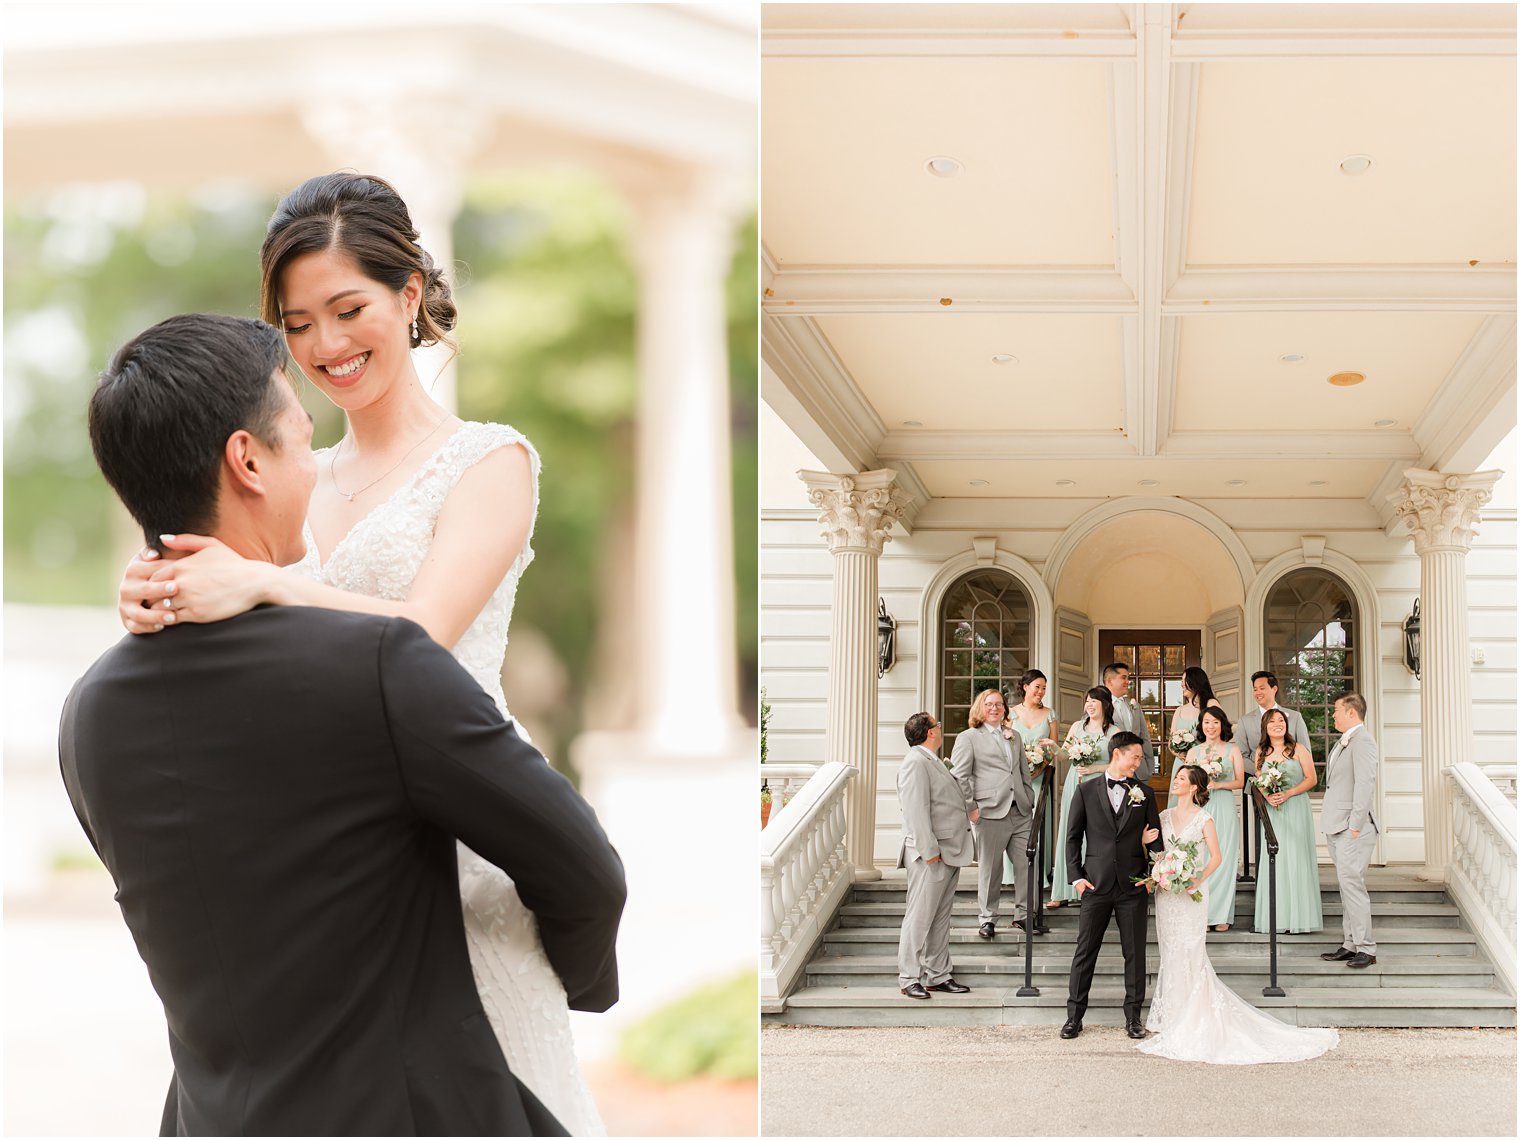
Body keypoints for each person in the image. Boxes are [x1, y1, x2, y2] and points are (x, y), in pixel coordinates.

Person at [114, 172, 603, 1133]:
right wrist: (154, 588)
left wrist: (265, 583)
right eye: (298, 326)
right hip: (327, 858)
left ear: (409, 295)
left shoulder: (489, 462)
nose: (326, 346)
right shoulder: (286, 473)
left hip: (463, 831)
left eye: (348, 309)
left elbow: (419, 636)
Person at [1137, 765, 1338, 1064]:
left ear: (1194, 787)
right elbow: (1156, 854)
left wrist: (1197, 877)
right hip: (1168, 892)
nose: (1175, 781)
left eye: (1181, 778)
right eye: (1177, 778)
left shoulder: (1204, 818)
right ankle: (1171, 1014)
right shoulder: (1163, 818)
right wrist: (1145, 846)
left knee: (1191, 950)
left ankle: (1194, 1015)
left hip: (1192, 892)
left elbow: (1217, 857)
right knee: (1170, 950)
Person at [1060, 732, 1163, 1041]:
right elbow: (1072, 837)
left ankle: (1133, 1018)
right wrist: (1076, 878)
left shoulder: (1144, 792)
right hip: (1095, 884)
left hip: (1133, 886)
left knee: (1135, 955)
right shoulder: (1086, 790)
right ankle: (1074, 1018)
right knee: (1085, 952)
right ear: (1117, 753)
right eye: (1135, 756)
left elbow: (1155, 837)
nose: (1139, 762)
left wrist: (1152, 875)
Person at [896, 712, 975, 999]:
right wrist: (929, 852)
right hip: (931, 855)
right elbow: (916, 810)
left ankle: (938, 974)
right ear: (930, 732)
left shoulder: (932, 760)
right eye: (937, 725)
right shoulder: (915, 763)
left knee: (940, 919)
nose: (940, 729)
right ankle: (908, 978)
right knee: (919, 918)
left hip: (949, 851)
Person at [951, 688, 1035, 938]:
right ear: (980, 708)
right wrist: (971, 808)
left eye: (999, 704)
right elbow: (960, 775)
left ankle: (1023, 915)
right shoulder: (969, 737)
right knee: (990, 869)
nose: (995, 708)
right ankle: (987, 919)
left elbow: (1022, 772)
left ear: (1005, 709)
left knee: (1026, 866)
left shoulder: (1014, 736)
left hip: (1019, 811)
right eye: (989, 704)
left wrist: (1028, 798)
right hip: (988, 812)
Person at [1320, 693, 1381, 969]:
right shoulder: (1345, 742)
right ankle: (1350, 943)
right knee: (1347, 888)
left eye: (1336, 711)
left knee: (1353, 887)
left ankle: (1366, 948)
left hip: (1351, 828)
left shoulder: (1364, 741)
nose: (1333, 715)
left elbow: (1365, 785)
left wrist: (1354, 826)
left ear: (1352, 713)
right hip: (1337, 826)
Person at [1251, 708, 1323, 935]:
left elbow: (1312, 779)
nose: (1277, 724)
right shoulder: (1261, 752)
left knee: (1297, 859)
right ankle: (1278, 918)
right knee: (1277, 861)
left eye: (1281, 720)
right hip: (1274, 812)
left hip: (1295, 808)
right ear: (1265, 727)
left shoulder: (1298, 749)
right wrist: (1268, 794)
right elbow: (1258, 781)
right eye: (1272, 721)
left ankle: (1299, 917)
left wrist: (1289, 793)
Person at [1173, 706, 1245, 931]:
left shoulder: (1232, 750)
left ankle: (1221, 914)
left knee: (1222, 858)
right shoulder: (1194, 752)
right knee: (1200, 859)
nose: (1210, 727)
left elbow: (1240, 782)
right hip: (1200, 806)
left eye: (1215, 722)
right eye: (1206, 722)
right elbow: (1186, 782)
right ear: (1201, 726)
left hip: (1223, 805)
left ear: (1222, 724)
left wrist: (1219, 783)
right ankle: (1201, 913)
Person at [1046, 686, 1117, 908]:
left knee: (1096, 834)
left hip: (1099, 786)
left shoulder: (1113, 732)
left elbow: (1118, 764)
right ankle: (1062, 891)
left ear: (1105, 704)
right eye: (1087, 701)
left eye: (1094, 701)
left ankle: (1092, 887)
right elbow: (1065, 754)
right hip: (1075, 784)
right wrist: (1053, 748)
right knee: (1070, 831)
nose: (1090, 705)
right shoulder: (1077, 727)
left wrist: (1095, 768)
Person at [1003, 669, 1058, 907]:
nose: (1041, 691)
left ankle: (1039, 873)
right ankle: (1010, 873)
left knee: (1037, 821)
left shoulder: (1050, 714)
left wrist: (1041, 764)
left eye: (1044, 688)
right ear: (1025, 687)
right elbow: (1003, 745)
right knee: (1014, 820)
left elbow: (1053, 747)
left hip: (1038, 777)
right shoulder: (1011, 714)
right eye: (1037, 686)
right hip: (1014, 778)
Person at [1237, 670, 1312, 777]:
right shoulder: (1245, 721)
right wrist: (1264, 773)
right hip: (1256, 783)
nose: (1258, 693)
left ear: (1274, 689)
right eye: (1255, 689)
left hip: (1292, 781)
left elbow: (1306, 752)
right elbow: (1241, 756)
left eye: (1262, 688)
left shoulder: (1295, 717)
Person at [1102, 662, 1155, 781]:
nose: (1127, 682)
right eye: (1123, 678)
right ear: (1110, 681)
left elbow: (1144, 736)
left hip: (1139, 771)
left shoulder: (1134, 706)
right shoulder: (1099, 705)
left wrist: (1149, 764)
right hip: (1113, 770)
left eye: (1128, 678)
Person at [1168, 665, 1221, 759]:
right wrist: (1181, 755)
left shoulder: (1211, 704)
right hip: (1182, 765)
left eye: (1185, 680)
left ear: (1196, 681)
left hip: (1204, 762)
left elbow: (1220, 735)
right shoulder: (1179, 711)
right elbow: (1170, 744)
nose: (1182, 684)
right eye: (1181, 681)